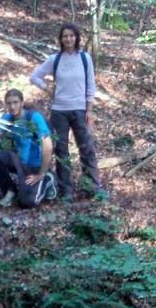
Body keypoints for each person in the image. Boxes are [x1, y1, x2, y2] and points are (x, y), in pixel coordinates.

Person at [29, 24, 105, 201]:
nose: (68, 39)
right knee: (61, 151)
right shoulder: (55, 59)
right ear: (61, 39)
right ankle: (66, 192)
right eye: (65, 36)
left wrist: (90, 110)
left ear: (77, 38)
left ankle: (93, 188)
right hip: (59, 111)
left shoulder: (85, 58)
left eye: (71, 36)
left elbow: (91, 85)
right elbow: (34, 77)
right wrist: (48, 90)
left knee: (87, 149)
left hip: (80, 110)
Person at [0, 89, 55, 208]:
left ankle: (46, 179)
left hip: (35, 167)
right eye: (9, 103)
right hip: (19, 163)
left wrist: (41, 174)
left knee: (27, 202)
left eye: (15, 102)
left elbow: (47, 146)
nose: (12, 106)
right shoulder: (8, 118)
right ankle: (10, 190)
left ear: (22, 103)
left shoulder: (33, 117)